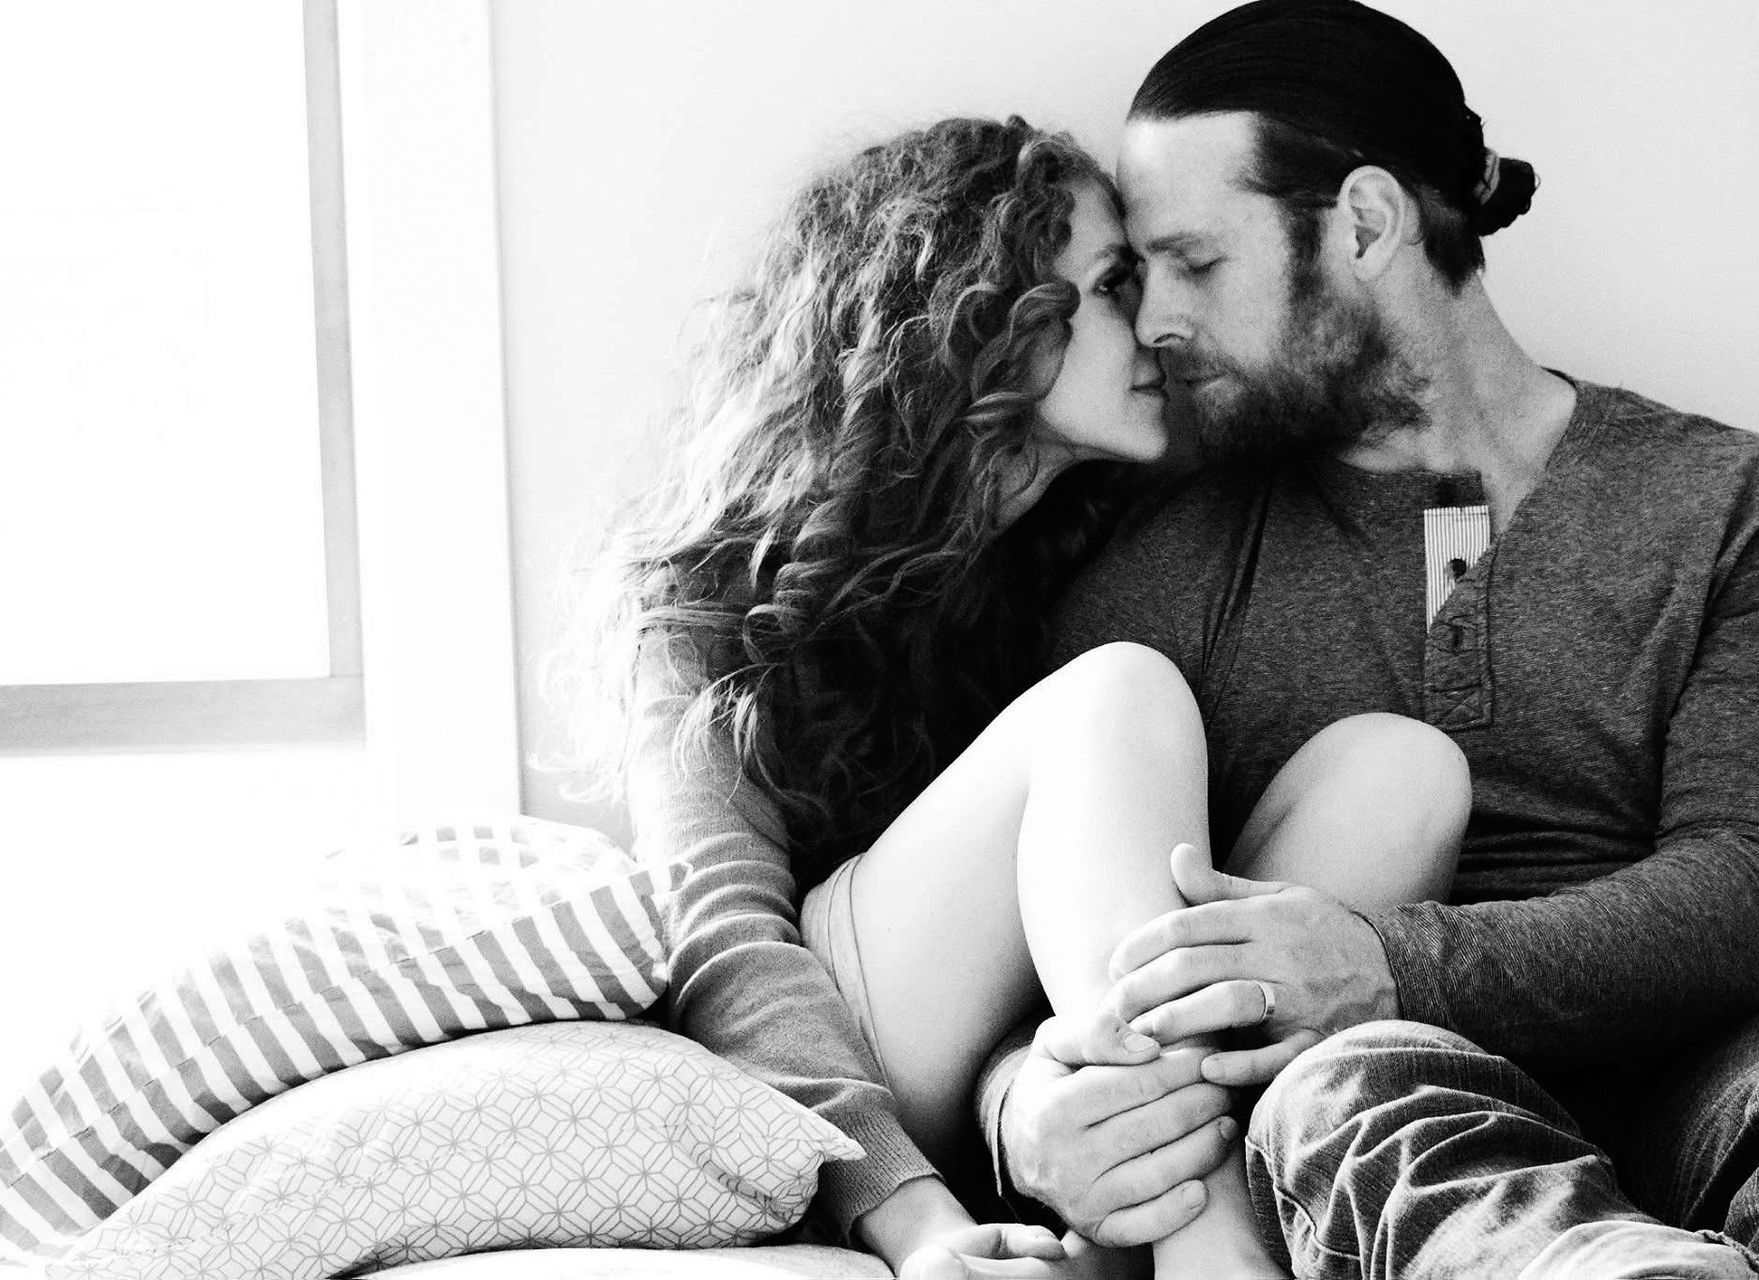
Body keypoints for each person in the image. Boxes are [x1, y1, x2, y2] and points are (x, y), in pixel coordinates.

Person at [974, 3, 1759, 1278]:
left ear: (1364, 224)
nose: (1151, 326)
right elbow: (1041, 937)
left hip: (1727, 1053)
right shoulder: (1159, 567)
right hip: (1393, 1104)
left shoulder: (1747, 507)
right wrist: (1020, 1111)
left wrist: (1386, 962)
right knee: (1354, 1102)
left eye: (1194, 263)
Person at [563, 115, 1473, 1277]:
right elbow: (727, 946)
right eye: (1108, 287)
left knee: (1400, 771)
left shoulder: (1095, 545)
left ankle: (1130, 1220)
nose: (1153, 325)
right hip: (856, 1041)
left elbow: (1124, 891)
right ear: (980, 318)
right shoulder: (705, 591)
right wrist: (916, 1217)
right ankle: (1212, 1254)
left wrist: (1041, 1085)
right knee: (1121, 693)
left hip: (1059, 1050)